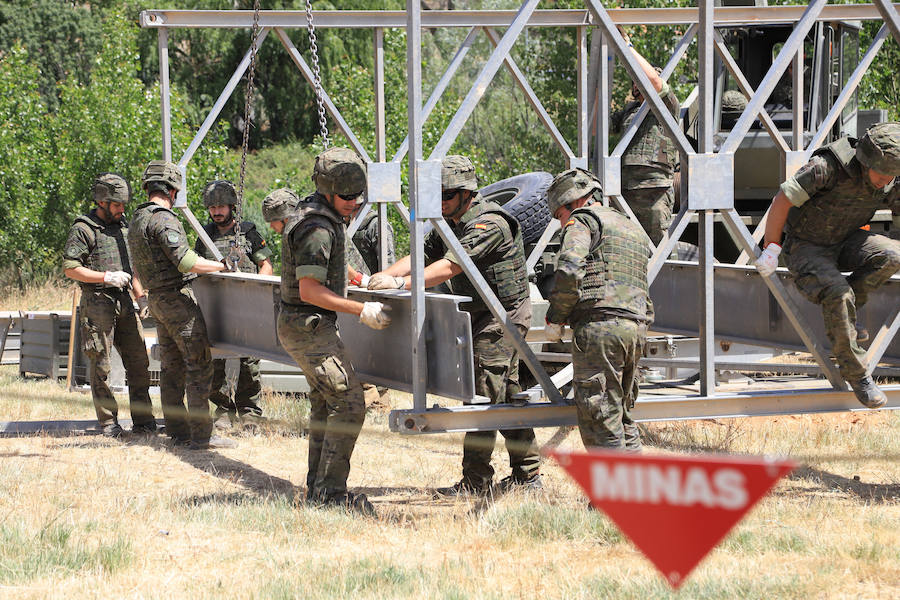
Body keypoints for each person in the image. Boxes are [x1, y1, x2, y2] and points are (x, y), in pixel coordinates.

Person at [368, 155, 541, 495]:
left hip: (502, 316)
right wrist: (388, 274)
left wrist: (401, 285)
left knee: (482, 397)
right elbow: (422, 254)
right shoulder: (450, 221)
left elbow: (450, 267)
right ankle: (528, 474)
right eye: (438, 196)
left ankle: (476, 481)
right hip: (477, 313)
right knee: (505, 395)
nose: (441, 202)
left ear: (466, 194)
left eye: (446, 195)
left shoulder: (488, 224)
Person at [264, 148, 392, 517]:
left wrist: (357, 278)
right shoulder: (317, 228)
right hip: (308, 326)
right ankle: (332, 495)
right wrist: (361, 309)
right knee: (349, 404)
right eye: (347, 197)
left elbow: (328, 265)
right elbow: (309, 290)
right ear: (328, 190)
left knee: (325, 402)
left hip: (309, 325)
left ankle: (319, 489)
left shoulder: (320, 215)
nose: (354, 203)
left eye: (358, 196)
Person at [756, 122, 900, 409]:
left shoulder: (890, 177)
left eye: (891, 175)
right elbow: (782, 200)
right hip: (806, 246)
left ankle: (846, 317)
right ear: (867, 160)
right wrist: (771, 248)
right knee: (838, 293)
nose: (886, 181)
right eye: (882, 174)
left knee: (893, 256)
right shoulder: (826, 167)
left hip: (844, 240)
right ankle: (858, 375)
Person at [127, 160, 236, 449]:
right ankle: (202, 435)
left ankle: (177, 430)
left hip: (157, 299)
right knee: (199, 364)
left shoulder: (137, 218)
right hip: (177, 299)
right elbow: (185, 261)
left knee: (171, 368)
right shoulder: (163, 218)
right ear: (172, 190)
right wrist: (220, 266)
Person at [543, 168, 653, 451]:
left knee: (600, 419)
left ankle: (610, 495)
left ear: (572, 202)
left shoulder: (582, 221)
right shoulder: (630, 227)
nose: (561, 223)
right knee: (623, 418)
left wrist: (556, 317)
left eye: (559, 216)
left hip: (600, 329)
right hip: (636, 330)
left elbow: (569, 269)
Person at [62, 173, 156, 438]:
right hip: (98, 302)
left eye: (123, 204)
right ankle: (108, 424)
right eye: (116, 205)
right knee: (101, 365)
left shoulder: (124, 226)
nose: (121, 209)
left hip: (125, 299)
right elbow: (71, 268)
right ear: (102, 202)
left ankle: (143, 421)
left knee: (139, 362)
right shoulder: (84, 228)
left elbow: (132, 267)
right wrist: (105, 277)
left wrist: (141, 298)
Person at [194, 180, 273, 427]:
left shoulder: (248, 232)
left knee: (249, 361)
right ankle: (222, 409)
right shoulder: (204, 235)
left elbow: (266, 265)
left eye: (221, 206)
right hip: (215, 308)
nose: (216, 211)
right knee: (215, 360)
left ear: (231, 207)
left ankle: (249, 412)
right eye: (212, 207)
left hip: (245, 306)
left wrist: (259, 296)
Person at [610, 28, 680, 246]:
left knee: (659, 251)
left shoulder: (667, 105)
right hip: (624, 190)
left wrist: (627, 47)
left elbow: (654, 82)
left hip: (654, 191)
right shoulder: (629, 110)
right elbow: (597, 128)